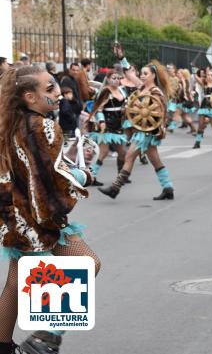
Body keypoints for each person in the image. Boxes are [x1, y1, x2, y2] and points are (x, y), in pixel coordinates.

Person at [0, 66, 101, 354]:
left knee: (16, 284)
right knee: (85, 265)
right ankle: (43, 339)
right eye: (49, 89)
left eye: (55, 86)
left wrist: (67, 159)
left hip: (17, 216)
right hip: (37, 220)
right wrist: (83, 175)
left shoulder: (11, 122)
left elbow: (36, 167)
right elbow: (52, 177)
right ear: (29, 97)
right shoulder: (42, 126)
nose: (58, 93)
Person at [99, 44, 175, 200]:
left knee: (129, 157)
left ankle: (115, 188)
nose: (141, 76)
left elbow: (160, 113)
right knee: (155, 160)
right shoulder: (142, 88)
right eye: (141, 73)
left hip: (147, 132)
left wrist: (155, 128)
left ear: (153, 75)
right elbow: (128, 72)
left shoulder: (156, 92)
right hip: (140, 130)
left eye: (145, 74)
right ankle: (168, 188)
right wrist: (121, 57)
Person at [87, 69, 129, 186]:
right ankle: (92, 176)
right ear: (108, 79)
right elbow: (98, 109)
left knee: (122, 152)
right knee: (103, 152)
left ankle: (121, 176)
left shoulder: (122, 90)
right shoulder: (105, 91)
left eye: (118, 78)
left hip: (118, 125)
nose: (116, 80)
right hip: (106, 125)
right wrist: (101, 121)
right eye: (113, 78)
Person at [194, 67, 212, 149]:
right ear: (206, 76)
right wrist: (194, 69)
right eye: (208, 75)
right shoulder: (204, 83)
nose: (210, 76)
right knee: (200, 126)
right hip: (203, 105)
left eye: (211, 75)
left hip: (211, 105)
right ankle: (197, 142)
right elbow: (196, 77)